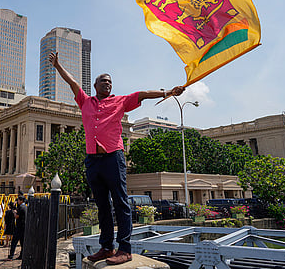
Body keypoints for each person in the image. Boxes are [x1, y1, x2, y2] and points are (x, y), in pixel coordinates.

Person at [49, 52, 185, 265]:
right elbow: (72, 83)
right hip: (92, 160)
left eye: (110, 82)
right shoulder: (85, 102)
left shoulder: (120, 101)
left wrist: (167, 92)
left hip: (113, 157)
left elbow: (142, 94)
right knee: (102, 205)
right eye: (104, 81)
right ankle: (106, 247)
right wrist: (58, 66)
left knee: (121, 203)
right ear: (95, 85)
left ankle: (125, 248)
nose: (108, 84)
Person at [7, 195, 27, 260]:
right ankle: (22, 255)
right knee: (22, 242)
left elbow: (17, 216)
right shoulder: (25, 207)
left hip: (19, 227)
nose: (17, 201)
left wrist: (14, 212)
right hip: (23, 227)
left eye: (18, 200)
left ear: (21, 200)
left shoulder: (21, 207)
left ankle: (11, 255)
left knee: (14, 241)